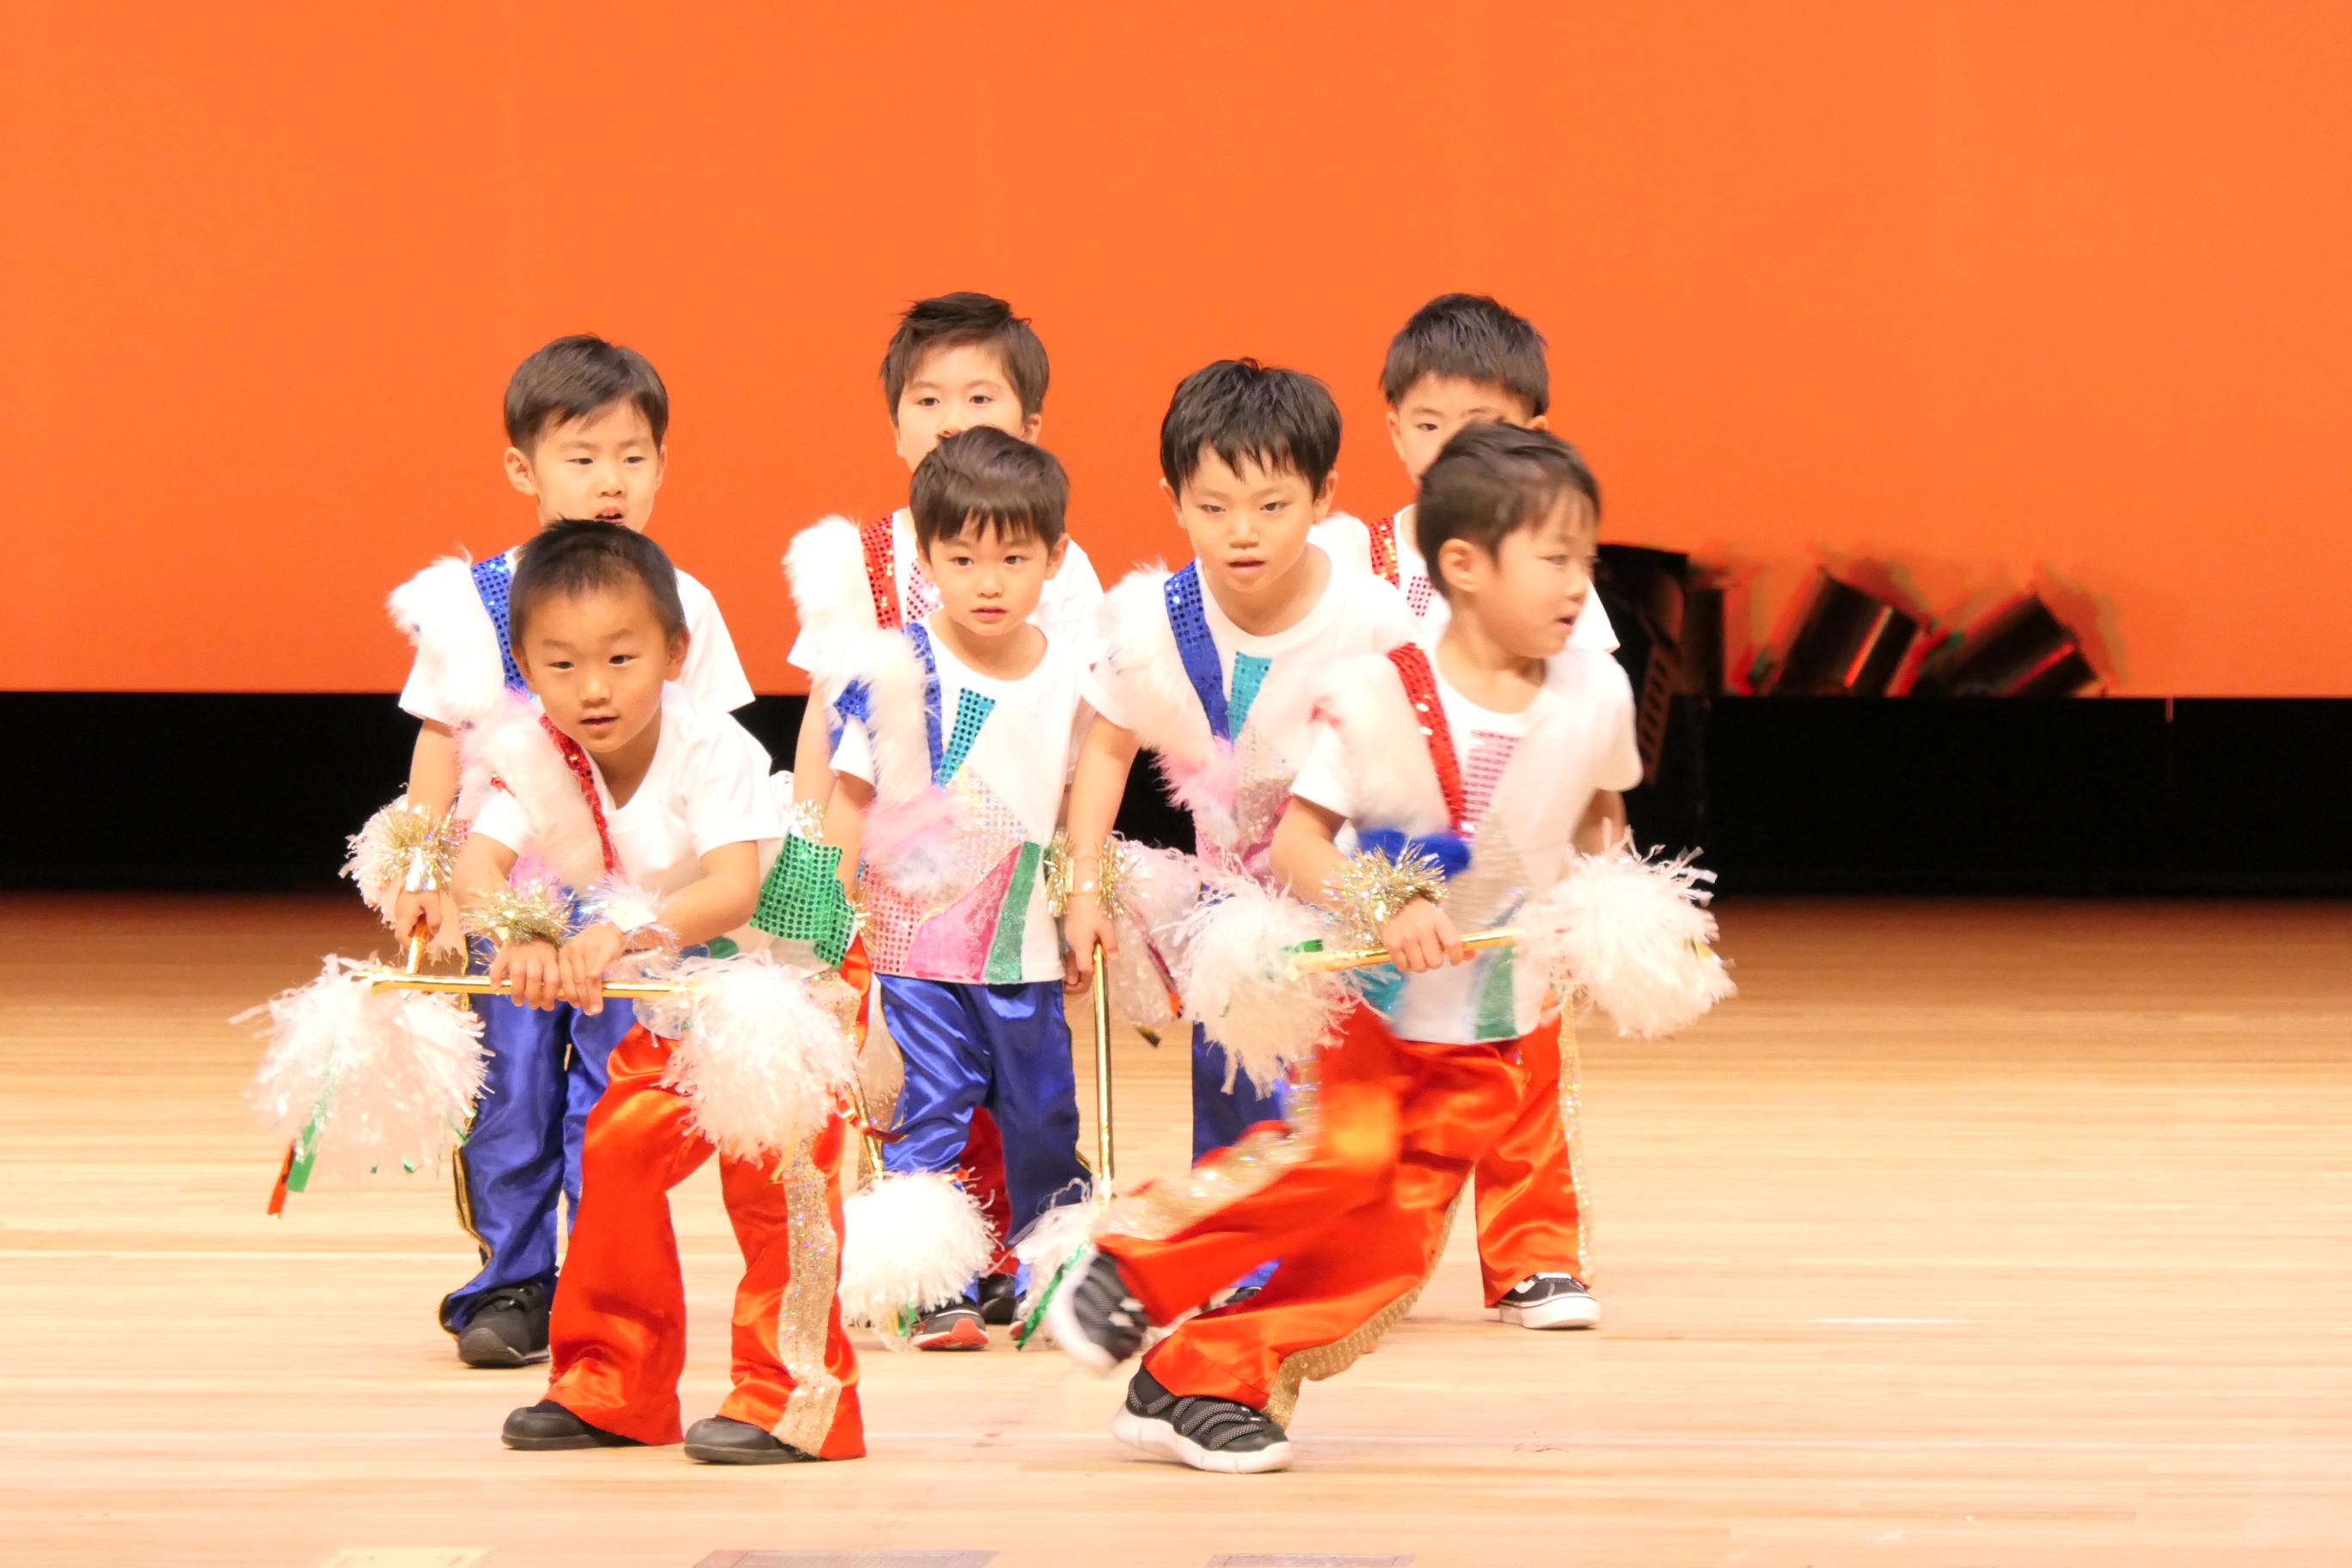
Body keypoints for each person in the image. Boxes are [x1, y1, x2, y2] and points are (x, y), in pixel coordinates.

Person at [1047, 423, 1641, 1473]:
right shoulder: (1383, 692)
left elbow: (1601, 815)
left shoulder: (1599, 692)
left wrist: (1613, 911)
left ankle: (1194, 1381)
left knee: (1384, 1259)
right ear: (1465, 567)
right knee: (1343, 1164)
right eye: (1554, 559)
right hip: (1377, 1010)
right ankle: (1132, 1261)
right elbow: (1301, 842)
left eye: (1584, 559)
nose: (1577, 585)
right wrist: (1387, 903)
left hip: (1495, 1031)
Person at [383, 336, 757, 1368]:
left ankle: (600, 1276)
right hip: (506, 887)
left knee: (615, 1098)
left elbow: (712, 750)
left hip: (633, 906)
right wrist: (425, 872)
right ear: (524, 468)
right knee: (508, 1091)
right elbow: (439, 739)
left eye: (633, 458)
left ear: (663, 465)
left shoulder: (683, 600)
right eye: (582, 458)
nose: (609, 482)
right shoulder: (473, 601)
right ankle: (509, 1280)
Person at [469, 521, 861, 1465]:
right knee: (616, 1152)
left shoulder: (709, 745)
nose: (593, 688)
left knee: (775, 1190)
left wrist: (616, 935)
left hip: (783, 991)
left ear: (676, 653)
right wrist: (524, 937)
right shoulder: (541, 756)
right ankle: (615, 1385)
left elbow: (733, 891)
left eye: (620, 657)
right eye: (561, 664)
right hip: (681, 999)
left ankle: (794, 1402)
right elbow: (476, 868)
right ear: (526, 667)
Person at [1057, 358, 1416, 1302]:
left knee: (1351, 1099)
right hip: (1229, 908)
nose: (1242, 532)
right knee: (1235, 1086)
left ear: (1324, 496)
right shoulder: (1154, 619)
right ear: (1174, 500)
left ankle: (1337, 1259)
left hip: (1344, 887)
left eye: (1272, 506)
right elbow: (1107, 749)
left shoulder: (1372, 615)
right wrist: (1084, 886)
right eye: (1213, 507)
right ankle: (1233, 1263)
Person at [782, 293, 1098, 1323]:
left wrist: (1081, 880)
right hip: (906, 904)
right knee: (926, 1096)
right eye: (929, 399)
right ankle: (930, 1280)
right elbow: (830, 722)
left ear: (1030, 421)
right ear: (894, 424)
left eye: (980, 397)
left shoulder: (1064, 575)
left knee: (1035, 1104)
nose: (954, 417)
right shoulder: (860, 567)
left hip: (1019, 899)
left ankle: (1036, 1262)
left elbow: (1089, 743)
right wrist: (813, 877)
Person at [1313, 291, 1619, 1329]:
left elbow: (1586, 703)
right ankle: (1359, 1256)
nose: (1451, 449)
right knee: (1376, 1068)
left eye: (1481, 427)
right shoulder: (1350, 560)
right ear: (1394, 432)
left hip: (1513, 853)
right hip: (1383, 857)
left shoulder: (1549, 560)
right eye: (1429, 424)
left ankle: (1535, 1256)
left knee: (1520, 1052)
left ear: (1535, 434)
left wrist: (1593, 865)